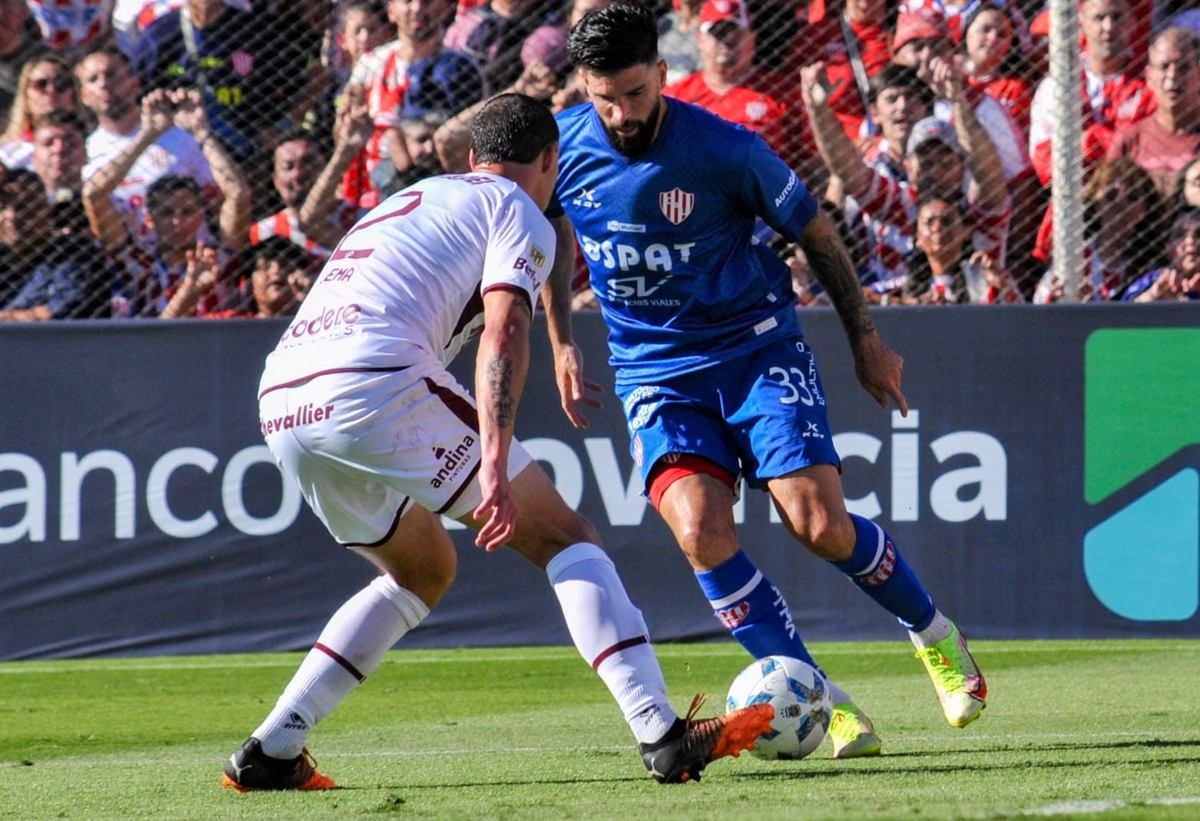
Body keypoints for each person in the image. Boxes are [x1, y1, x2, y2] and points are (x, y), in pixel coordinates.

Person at [220, 93, 773, 793]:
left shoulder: (420, 195)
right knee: (566, 537)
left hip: (284, 397)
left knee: (420, 572)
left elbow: (536, 251)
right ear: (551, 161)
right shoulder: (515, 207)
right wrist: (495, 456)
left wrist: (562, 340)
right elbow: (505, 327)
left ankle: (272, 747)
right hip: (374, 379)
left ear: (474, 158)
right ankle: (661, 733)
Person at [546, 3, 988, 764]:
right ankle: (825, 700)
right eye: (603, 97)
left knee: (820, 525)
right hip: (653, 371)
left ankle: (935, 634)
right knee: (699, 531)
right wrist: (559, 338)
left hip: (754, 349)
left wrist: (867, 342)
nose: (620, 114)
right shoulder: (563, 146)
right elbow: (548, 231)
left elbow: (815, 231)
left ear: (662, 72)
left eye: (634, 93)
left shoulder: (725, 148)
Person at [804, 58, 1011, 294]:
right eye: (925, 162)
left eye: (946, 163)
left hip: (983, 318)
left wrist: (957, 99)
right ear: (908, 167)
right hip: (905, 315)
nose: (935, 171)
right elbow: (848, 169)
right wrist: (818, 109)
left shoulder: (979, 210)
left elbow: (988, 170)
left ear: (962, 166)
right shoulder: (900, 203)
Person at [84, 88, 251, 316]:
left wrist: (201, 131)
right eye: (166, 213)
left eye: (188, 211)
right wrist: (148, 134)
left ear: (202, 214)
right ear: (149, 219)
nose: (177, 221)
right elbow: (94, 195)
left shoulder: (217, 258)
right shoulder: (139, 264)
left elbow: (239, 194)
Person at [342, 0, 484, 210]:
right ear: (391, 10)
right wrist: (350, 118)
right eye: (408, 1)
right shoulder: (371, 64)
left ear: (444, 8)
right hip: (369, 186)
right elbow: (341, 135)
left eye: (427, 2)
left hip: (437, 186)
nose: (417, 8)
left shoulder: (460, 69)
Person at [75, 46, 215, 248]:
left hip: (192, 250)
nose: (104, 84)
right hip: (135, 264)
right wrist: (147, 135)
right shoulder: (85, 151)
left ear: (135, 83)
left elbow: (213, 196)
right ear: (83, 96)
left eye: (112, 75)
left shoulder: (178, 136)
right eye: (93, 79)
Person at [1028, 0, 1153, 186]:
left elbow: (1147, 154)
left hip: (1132, 199)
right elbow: (1044, 161)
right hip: (1071, 199)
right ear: (1082, 22)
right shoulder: (1057, 84)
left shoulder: (1149, 83)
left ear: (1132, 22)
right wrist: (1114, 143)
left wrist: (1088, 141)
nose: (1108, 27)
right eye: (1099, 18)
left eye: (1117, 17)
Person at [1032, 158, 1165, 302]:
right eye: (1111, 195)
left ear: (1145, 209)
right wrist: (1054, 295)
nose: (1121, 204)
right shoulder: (1075, 255)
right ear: (1096, 203)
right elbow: (1039, 300)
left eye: (1133, 197)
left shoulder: (1152, 265)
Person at [0, 168, 110, 320]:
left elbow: (60, 311)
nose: (12, 216)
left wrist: (11, 317)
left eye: (24, 207)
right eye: (2, 207)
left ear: (46, 212)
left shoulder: (71, 251)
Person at [1107, 27, 1200, 199]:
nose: (1172, 76)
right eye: (1164, 67)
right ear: (1149, 77)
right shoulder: (1130, 140)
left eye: (1183, 67)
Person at [160, 235, 314, 318]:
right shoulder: (234, 323)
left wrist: (309, 303)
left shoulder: (316, 321)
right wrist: (190, 290)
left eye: (286, 266)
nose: (276, 272)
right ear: (250, 283)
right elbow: (161, 334)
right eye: (265, 267)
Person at [0, 52, 83, 170]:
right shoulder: (6, 155)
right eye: (41, 84)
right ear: (26, 94)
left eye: (61, 83)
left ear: (73, 94)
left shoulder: (95, 144)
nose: (51, 90)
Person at [1121, 206, 1200, 301]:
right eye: (1180, 235)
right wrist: (1153, 296)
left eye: (1199, 234)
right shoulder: (1153, 280)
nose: (1190, 241)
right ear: (1168, 247)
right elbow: (1124, 311)